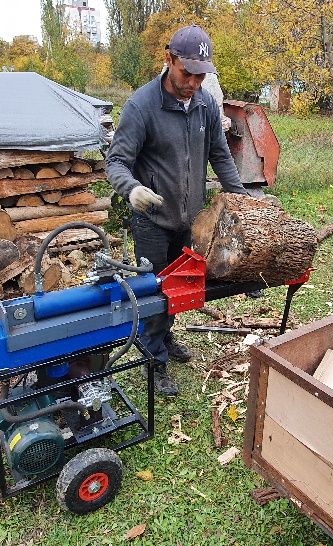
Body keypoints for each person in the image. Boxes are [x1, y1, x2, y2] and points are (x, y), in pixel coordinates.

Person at [106, 24, 252, 396]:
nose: (193, 82)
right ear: (169, 59)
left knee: (177, 291)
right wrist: (133, 189)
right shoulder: (142, 106)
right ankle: (154, 361)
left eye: (201, 75)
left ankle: (165, 339)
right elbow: (116, 162)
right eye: (187, 72)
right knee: (154, 293)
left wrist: (242, 201)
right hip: (152, 221)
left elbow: (221, 156)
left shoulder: (205, 104)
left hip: (190, 221)